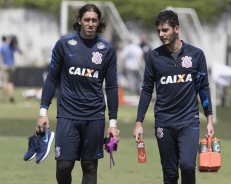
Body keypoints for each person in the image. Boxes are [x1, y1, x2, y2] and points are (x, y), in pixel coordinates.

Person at [35, 4, 119, 184]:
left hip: (94, 116)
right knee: (64, 165)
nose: (90, 24)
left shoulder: (107, 49)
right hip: (67, 115)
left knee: (90, 166)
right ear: (79, 20)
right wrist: (43, 112)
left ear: (99, 23)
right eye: (87, 19)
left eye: (94, 20)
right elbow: (51, 80)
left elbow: (111, 87)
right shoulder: (64, 45)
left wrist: (113, 123)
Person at [133, 10, 214, 184]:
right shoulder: (153, 57)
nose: (161, 35)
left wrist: (209, 119)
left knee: (186, 166)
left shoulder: (196, 55)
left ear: (176, 28)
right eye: (159, 31)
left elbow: (203, 88)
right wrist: (139, 122)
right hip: (164, 121)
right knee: (169, 173)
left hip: (188, 121)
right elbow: (147, 90)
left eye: (165, 30)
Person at [0, 35, 22, 103]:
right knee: (10, 83)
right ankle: (11, 96)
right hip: (12, 67)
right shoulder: (12, 46)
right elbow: (20, 52)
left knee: (4, 82)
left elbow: (0, 57)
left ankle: (5, 98)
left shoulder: (3, 47)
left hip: (5, 66)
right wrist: (16, 44)